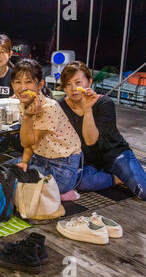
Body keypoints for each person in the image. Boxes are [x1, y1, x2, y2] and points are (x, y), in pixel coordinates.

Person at [58, 61, 145, 200]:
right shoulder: (61, 106)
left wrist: (87, 110)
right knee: (78, 182)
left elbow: (91, 140)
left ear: (90, 82)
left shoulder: (105, 103)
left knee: (143, 191)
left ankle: (128, 171)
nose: (73, 88)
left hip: (113, 155)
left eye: (78, 82)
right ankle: (117, 178)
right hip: (88, 160)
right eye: (68, 84)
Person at [10, 59, 83, 194]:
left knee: (15, 181)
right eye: (18, 82)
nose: (22, 87)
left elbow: (27, 141)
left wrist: (27, 117)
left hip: (62, 167)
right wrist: (24, 162)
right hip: (39, 159)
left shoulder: (49, 107)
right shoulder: (25, 102)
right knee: (3, 169)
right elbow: (29, 145)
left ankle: (70, 186)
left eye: (28, 82)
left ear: (40, 84)